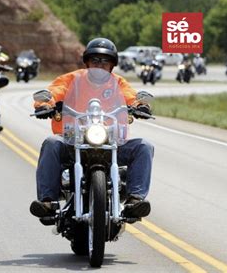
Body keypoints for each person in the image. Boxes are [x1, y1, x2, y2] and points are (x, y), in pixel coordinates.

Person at [29, 38, 154, 222]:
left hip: (111, 141)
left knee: (144, 146)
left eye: (105, 60)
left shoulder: (118, 83)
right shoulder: (72, 79)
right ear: (87, 62)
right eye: (95, 60)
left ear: (112, 64)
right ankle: (48, 201)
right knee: (51, 143)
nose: (100, 65)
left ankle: (135, 200)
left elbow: (131, 97)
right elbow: (54, 91)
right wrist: (45, 104)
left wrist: (140, 105)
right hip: (73, 140)